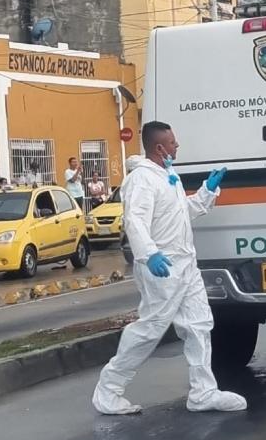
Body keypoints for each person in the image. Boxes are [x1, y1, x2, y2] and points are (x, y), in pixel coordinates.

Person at [92, 121, 243, 415]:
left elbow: (180, 214)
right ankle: (108, 390)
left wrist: (206, 192)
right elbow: (135, 221)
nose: (177, 146)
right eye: (173, 142)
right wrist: (150, 255)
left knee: (199, 325)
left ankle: (203, 392)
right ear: (160, 148)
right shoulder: (141, 180)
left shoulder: (167, 175)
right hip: (163, 266)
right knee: (150, 329)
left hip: (186, 265)